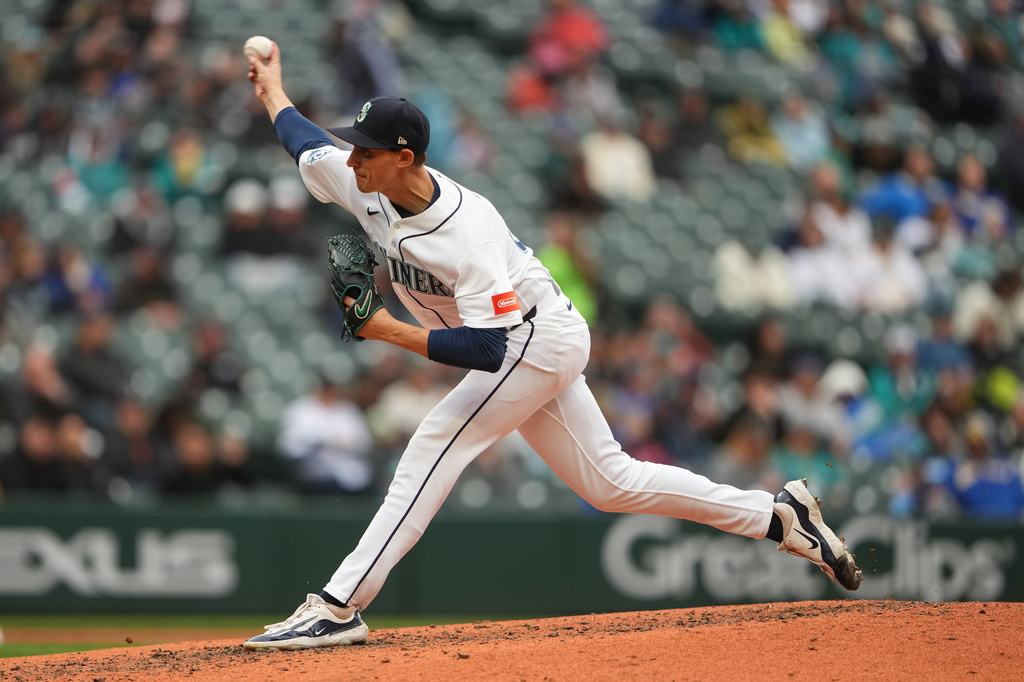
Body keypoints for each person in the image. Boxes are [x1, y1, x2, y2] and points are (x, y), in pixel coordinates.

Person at [242, 41, 862, 651]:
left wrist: (386, 330)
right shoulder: (367, 183)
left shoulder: (468, 233)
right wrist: (271, 86)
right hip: (531, 339)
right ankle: (778, 517)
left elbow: (489, 351)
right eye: (355, 149)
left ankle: (338, 605)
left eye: (366, 152)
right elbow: (306, 141)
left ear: (404, 157)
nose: (352, 161)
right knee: (610, 482)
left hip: (535, 337)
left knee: (433, 445)